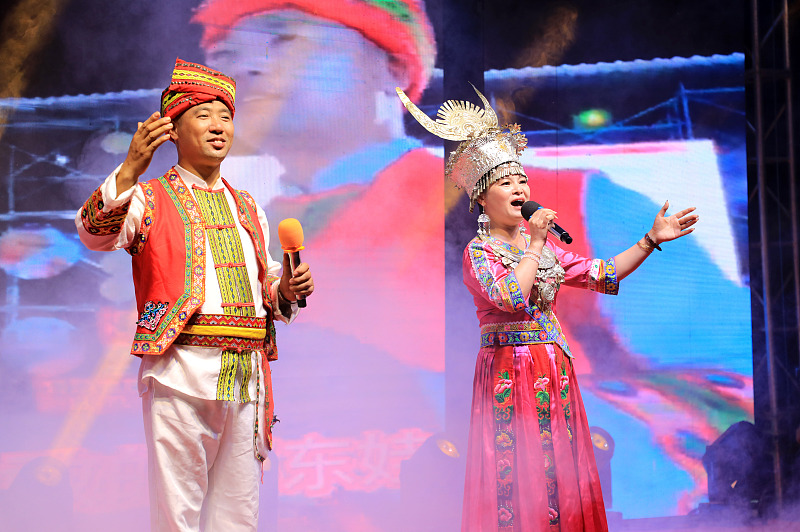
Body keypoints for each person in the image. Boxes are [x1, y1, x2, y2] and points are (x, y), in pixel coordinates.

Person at [396, 85, 698, 531]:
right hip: (508, 373)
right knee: (516, 475)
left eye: (521, 179)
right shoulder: (479, 253)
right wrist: (536, 242)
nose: (519, 188)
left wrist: (651, 240)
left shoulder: (548, 249)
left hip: (554, 370)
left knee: (563, 473)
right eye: (505, 182)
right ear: (481, 198)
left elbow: (604, 273)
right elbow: (510, 297)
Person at [75, 58, 314, 531]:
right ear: (174, 130)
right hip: (180, 369)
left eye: (225, 115)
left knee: (237, 515)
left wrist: (284, 287)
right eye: (203, 115)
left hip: (244, 372)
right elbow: (93, 232)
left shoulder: (248, 205)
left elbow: (262, 282)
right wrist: (128, 170)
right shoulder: (148, 196)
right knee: (178, 512)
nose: (218, 125)